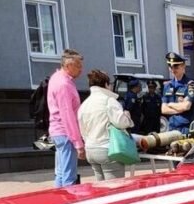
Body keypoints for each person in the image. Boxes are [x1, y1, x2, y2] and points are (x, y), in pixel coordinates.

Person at [78, 68, 133, 181]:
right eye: (110, 84)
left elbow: (82, 130)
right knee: (114, 186)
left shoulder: (84, 104)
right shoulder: (109, 101)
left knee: (100, 186)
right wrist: (127, 116)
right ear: (106, 84)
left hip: (91, 150)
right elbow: (121, 123)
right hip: (107, 149)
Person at [47, 48, 85, 187]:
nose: (81, 70)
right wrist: (78, 144)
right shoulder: (64, 85)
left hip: (58, 131)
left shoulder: (56, 78)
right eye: (78, 66)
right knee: (69, 176)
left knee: (61, 173)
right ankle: (68, 198)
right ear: (68, 65)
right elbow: (68, 116)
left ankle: (59, 197)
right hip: (65, 133)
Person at [161, 52, 194, 136]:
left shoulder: (190, 84)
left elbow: (186, 106)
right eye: (170, 66)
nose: (173, 70)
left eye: (176, 66)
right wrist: (180, 109)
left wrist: (170, 104)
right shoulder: (167, 85)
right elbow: (163, 109)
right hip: (171, 128)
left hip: (185, 128)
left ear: (183, 66)